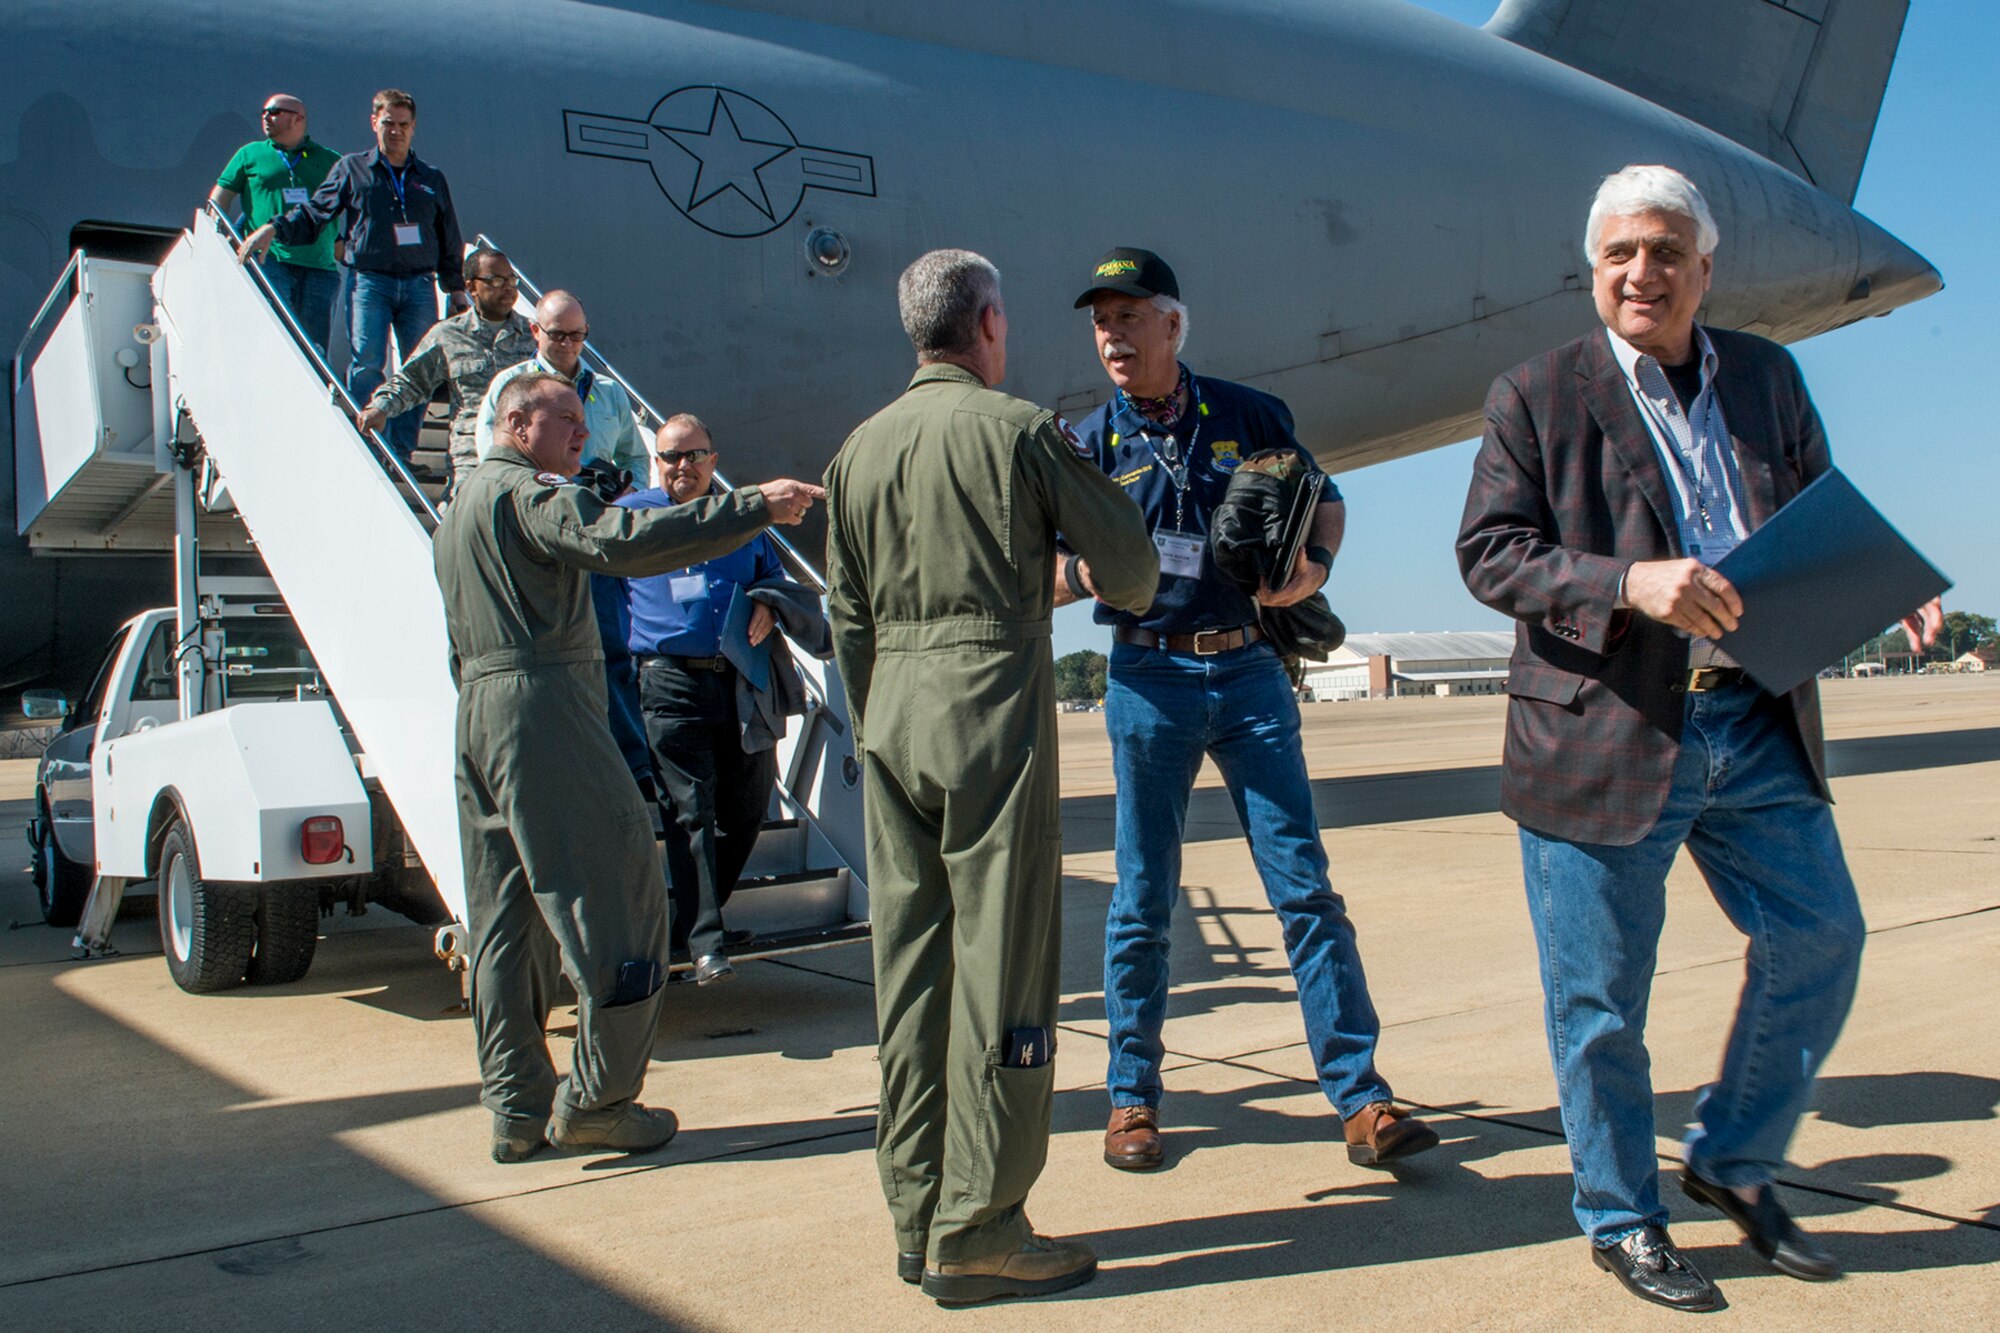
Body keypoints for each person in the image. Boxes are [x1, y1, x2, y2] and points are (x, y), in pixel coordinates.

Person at [1456, 164, 1943, 1312]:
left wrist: (1878, 584)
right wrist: (1630, 582)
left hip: (1752, 713)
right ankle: (1621, 1216)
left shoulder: (1767, 374)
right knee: (1600, 1002)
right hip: (1605, 728)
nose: (1643, 271)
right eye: (1622, 252)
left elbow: (1815, 504)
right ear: (1592, 270)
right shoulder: (1532, 394)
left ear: (1703, 268)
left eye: (1666, 250)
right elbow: (1489, 553)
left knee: (1821, 937)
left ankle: (1728, 1154)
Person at [824, 249, 1156, 1305]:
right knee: (1003, 971)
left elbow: (845, 620)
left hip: (890, 721)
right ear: (989, 324)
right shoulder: (1016, 431)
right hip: (988, 716)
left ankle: (915, 1214)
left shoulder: (855, 451)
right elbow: (1133, 565)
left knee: (910, 979)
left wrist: (885, 704)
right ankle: (982, 1222)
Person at [1060, 247, 1438, 1175]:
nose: (1112, 333)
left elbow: (1329, 501)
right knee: (1143, 899)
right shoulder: (1084, 443)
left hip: (1250, 678)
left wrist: (1312, 570)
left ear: (1172, 324)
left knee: (1303, 887)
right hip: (1146, 680)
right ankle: (1132, 1098)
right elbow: (1040, 567)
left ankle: (1362, 1098)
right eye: (1101, 318)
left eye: (1129, 315)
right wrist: (1085, 573)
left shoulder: (1247, 414)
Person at [434, 369, 822, 1165]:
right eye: (566, 419)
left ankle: (515, 1103)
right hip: (543, 707)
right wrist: (752, 504)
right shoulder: (532, 495)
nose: (584, 433)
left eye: (583, 420)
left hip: (479, 709)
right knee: (623, 892)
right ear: (516, 425)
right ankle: (600, 1099)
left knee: (505, 918)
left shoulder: (459, 510)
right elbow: (623, 542)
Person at [614, 414, 801, 985]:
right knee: (689, 812)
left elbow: (780, 580)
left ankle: (694, 924)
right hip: (668, 683)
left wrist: (770, 603)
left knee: (748, 809)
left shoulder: (743, 523)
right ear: (657, 462)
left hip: (736, 681)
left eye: (693, 455)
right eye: (671, 456)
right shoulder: (630, 517)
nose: (682, 466)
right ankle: (705, 944)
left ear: (713, 462)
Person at [241, 89, 468, 477]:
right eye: (388, 123)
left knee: (420, 370)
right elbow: (316, 212)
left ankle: (400, 455)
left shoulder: (431, 178)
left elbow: (448, 233)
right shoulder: (352, 169)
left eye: (403, 125)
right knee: (367, 364)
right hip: (370, 282)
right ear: (373, 123)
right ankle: (369, 450)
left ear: (413, 129)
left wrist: (456, 287)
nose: (395, 132)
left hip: (418, 284)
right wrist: (274, 228)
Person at [357, 247, 536, 493]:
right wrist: (381, 407)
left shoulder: (535, 336)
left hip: (524, 457)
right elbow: (412, 381)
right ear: (471, 287)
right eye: (495, 280)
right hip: (470, 459)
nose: (507, 287)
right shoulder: (449, 334)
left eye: (511, 279)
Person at [210, 94, 342, 358]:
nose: (266, 117)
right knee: (276, 332)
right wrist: (215, 240)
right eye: (264, 112)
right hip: (268, 259)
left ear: (298, 118)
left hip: (318, 265)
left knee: (312, 349)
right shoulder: (250, 154)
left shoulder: (331, 160)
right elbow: (219, 199)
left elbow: (353, 204)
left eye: (274, 112)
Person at [475, 291, 647, 481]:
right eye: (557, 334)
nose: (567, 343)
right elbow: (491, 455)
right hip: (534, 501)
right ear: (535, 330)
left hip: (596, 505)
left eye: (576, 335)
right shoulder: (509, 384)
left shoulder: (610, 391)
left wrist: (631, 494)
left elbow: (636, 457)